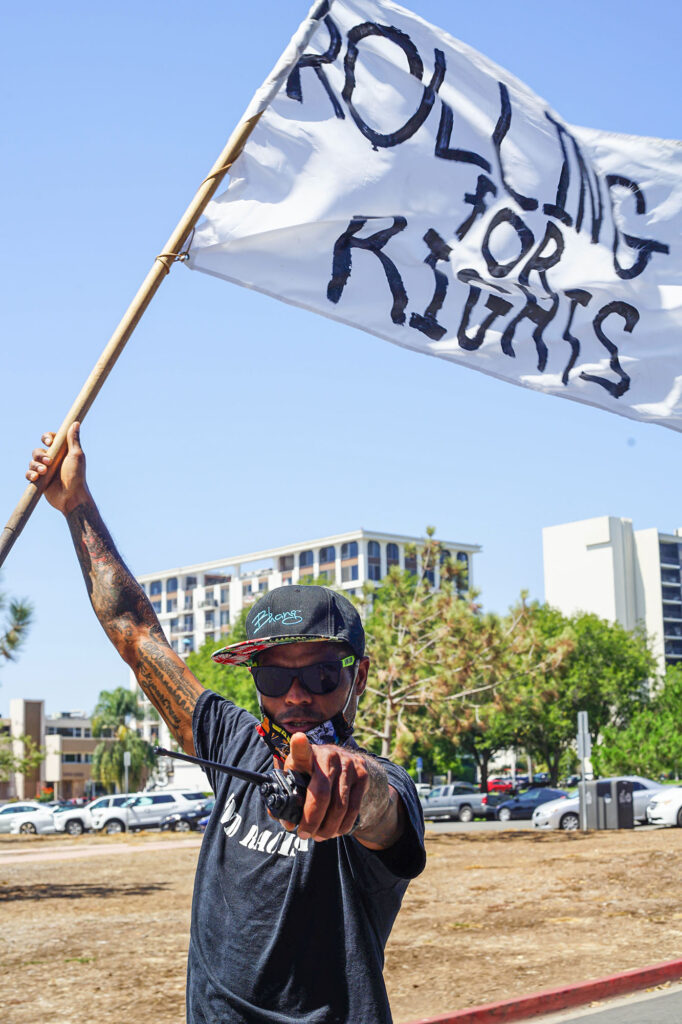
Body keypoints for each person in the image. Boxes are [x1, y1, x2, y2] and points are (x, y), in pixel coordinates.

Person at [27, 423, 426, 1024]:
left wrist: (350, 786)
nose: (296, 697)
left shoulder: (385, 781)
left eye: (319, 676)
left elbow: (379, 809)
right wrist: (76, 506)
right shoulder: (230, 740)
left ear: (357, 677)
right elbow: (135, 633)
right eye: (273, 678)